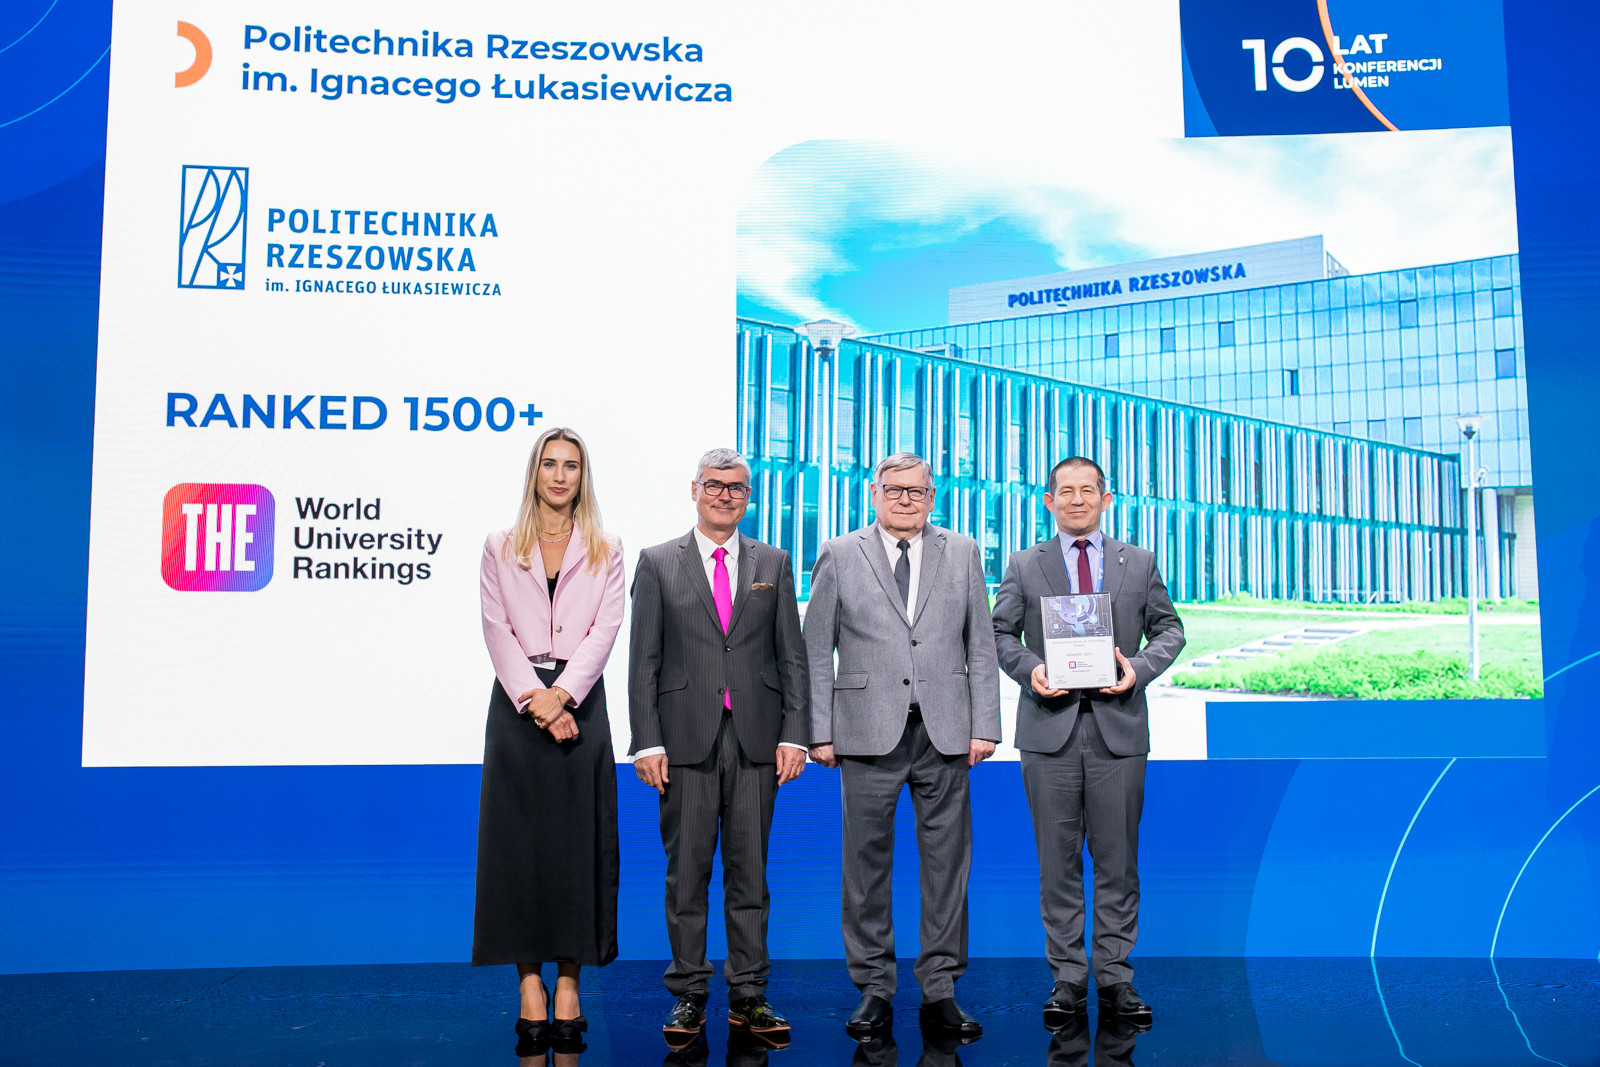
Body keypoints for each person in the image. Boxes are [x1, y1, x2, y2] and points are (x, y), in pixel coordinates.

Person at [804, 452, 1002, 1042]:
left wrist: (986, 725)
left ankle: (940, 989)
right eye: (894, 490)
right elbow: (816, 650)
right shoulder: (840, 553)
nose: (906, 500)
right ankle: (874, 988)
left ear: (932, 497)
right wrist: (819, 730)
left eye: (917, 491)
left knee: (948, 868)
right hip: (864, 731)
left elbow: (981, 644)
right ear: (875, 493)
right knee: (865, 868)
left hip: (946, 732)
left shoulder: (962, 552)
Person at [991, 456, 1184, 1031]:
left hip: (1117, 731)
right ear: (1048, 501)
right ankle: (1068, 979)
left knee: (1118, 862)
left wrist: (1137, 670)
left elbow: (1169, 629)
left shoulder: (1138, 561)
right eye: (1065, 491)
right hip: (1047, 733)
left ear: (1106, 498)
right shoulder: (1024, 564)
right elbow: (999, 633)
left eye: (1087, 490)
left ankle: (1116, 978)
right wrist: (1029, 670)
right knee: (1058, 864)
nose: (1077, 499)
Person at [628, 447, 810, 1047]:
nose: (725, 495)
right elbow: (643, 660)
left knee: (749, 874)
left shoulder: (773, 562)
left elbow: (791, 656)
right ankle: (688, 993)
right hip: (682, 740)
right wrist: (646, 742)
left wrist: (794, 733)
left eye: (736, 487)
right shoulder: (658, 562)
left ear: (748, 497)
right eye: (714, 485)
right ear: (694, 490)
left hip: (758, 739)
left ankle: (749, 995)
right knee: (687, 873)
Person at [474, 427, 625, 1053]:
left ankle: (568, 982)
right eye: (549, 464)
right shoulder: (500, 545)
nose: (560, 475)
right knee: (520, 850)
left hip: (581, 704)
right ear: (534, 473)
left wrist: (562, 695)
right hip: (517, 708)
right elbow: (496, 629)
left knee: (576, 848)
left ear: (582, 476)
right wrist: (535, 699)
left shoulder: (607, 548)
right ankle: (529, 984)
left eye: (571, 466)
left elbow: (606, 629)